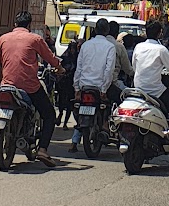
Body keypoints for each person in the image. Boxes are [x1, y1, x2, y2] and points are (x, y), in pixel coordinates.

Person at [0, 9, 61, 167]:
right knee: (49, 114)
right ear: (29, 25)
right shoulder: (35, 39)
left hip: (7, 85)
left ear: (15, 24)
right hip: (29, 86)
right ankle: (43, 149)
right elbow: (50, 58)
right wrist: (60, 68)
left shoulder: (3, 38)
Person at [132, 18, 169, 137]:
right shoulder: (161, 49)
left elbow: (134, 66)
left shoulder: (138, 47)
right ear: (159, 33)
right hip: (155, 91)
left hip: (138, 89)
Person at [72, 20, 119, 150]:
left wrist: (77, 88)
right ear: (107, 31)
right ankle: (105, 125)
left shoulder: (86, 45)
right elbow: (109, 70)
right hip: (100, 87)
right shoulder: (110, 47)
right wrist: (104, 89)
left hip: (84, 86)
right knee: (119, 99)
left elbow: (79, 68)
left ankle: (76, 138)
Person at [55, 37, 79, 128]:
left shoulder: (77, 57)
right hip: (64, 82)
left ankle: (65, 123)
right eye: (71, 48)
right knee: (61, 101)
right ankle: (60, 115)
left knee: (70, 104)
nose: (72, 50)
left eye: (74, 48)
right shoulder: (65, 56)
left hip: (72, 83)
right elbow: (59, 64)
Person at [108, 22, 133, 88]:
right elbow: (127, 69)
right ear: (117, 33)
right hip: (113, 84)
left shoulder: (94, 45)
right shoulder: (119, 46)